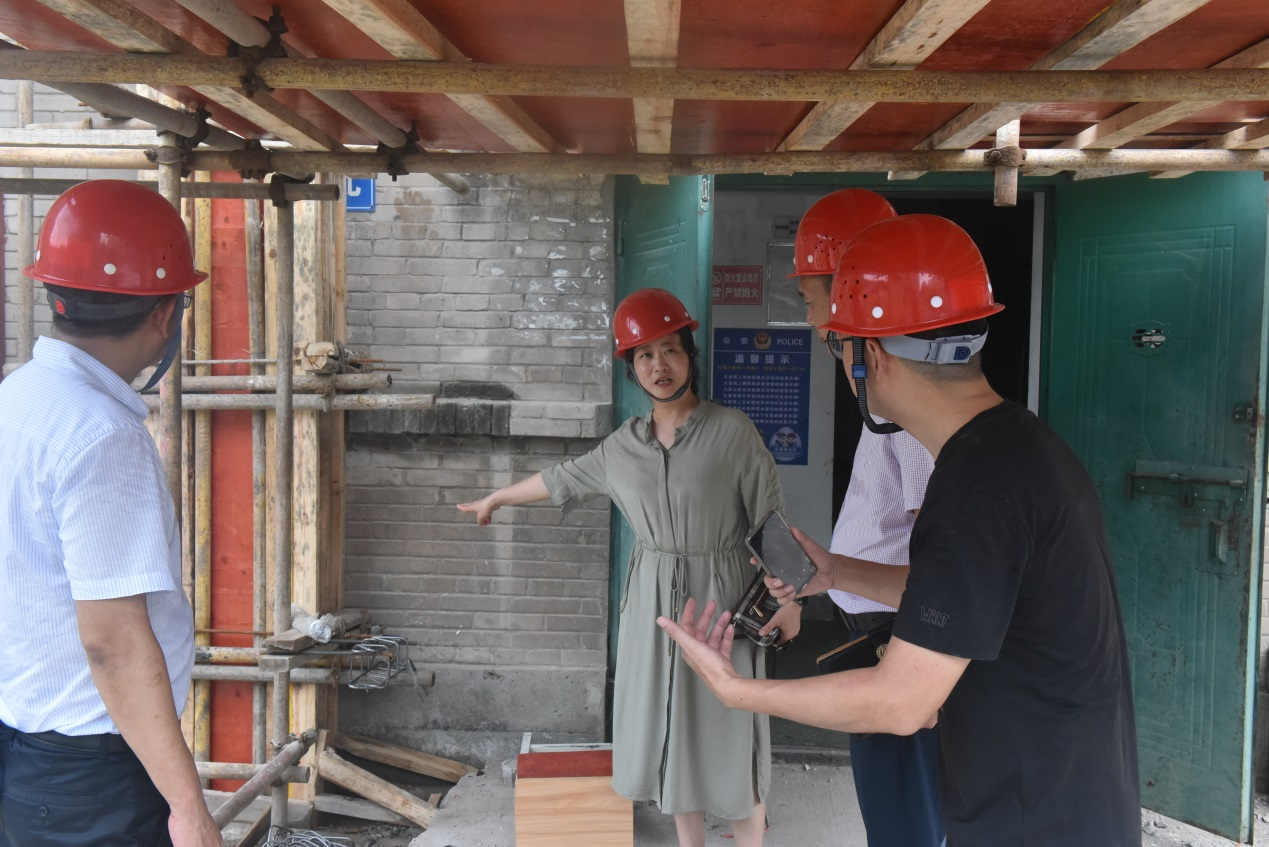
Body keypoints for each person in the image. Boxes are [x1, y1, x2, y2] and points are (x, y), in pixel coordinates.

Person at [659, 215, 1140, 846]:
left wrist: (735, 689)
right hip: (1069, 803)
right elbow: (964, 591)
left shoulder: (974, 491)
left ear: (872, 357)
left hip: (1033, 822)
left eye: (840, 343)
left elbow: (901, 703)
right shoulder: (1018, 446)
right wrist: (836, 572)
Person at [459, 288, 798, 847]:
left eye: (670, 350)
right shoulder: (624, 446)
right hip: (652, 606)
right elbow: (561, 479)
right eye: (644, 355)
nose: (659, 365)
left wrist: (791, 603)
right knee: (671, 732)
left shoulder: (733, 432)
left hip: (722, 601)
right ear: (631, 369)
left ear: (689, 357)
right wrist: (497, 497)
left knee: (732, 731)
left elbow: (772, 523)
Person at [0, 180, 220, 846]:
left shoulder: (19, 397)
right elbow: (113, 640)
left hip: (28, 741)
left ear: (54, 294)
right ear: (166, 314)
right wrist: (188, 807)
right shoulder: (102, 437)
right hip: (89, 772)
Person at [788, 189, 943, 847]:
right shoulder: (879, 392)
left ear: (850, 290)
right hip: (874, 621)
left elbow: (940, 571)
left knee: (905, 812)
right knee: (892, 804)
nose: (809, 320)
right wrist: (832, 573)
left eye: (809, 299)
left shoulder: (908, 407)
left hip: (898, 635)